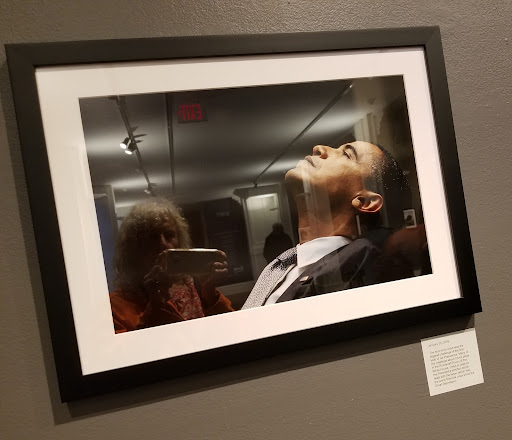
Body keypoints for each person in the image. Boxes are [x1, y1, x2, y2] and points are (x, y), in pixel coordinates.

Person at [242, 141, 412, 309]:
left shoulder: (351, 277)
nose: (319, 148)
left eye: (347, 154)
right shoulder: (284, 264)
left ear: (365, 201)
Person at [110, 199, 233, 333]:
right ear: (134, 247)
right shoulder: (115, 305)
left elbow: (231, 331)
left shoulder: (195, 286)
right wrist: (156, 306)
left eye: (169, 235)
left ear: (179, 240)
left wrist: (210, 293)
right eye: (152, 237)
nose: (162, 243)